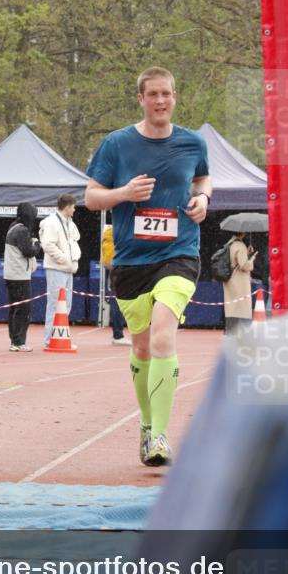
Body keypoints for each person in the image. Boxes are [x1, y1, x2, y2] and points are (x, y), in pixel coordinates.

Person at [85, 66, 211, 467]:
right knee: (141, 347)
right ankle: (146, 423)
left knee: (162, 334)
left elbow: (203, 180)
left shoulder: (193, 142)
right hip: (131, 260)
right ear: (141, 99)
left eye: (166, 94)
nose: (160, 101)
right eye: (153, 94)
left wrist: (203, 199)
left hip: (179, 253)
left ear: (175, 97)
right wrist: (124, 193)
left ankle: (160, 436)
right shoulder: (117, 144)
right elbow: (91, 198)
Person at [39, 193, 81, 348]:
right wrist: (63, 259)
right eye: (73, 207)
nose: (75, 210)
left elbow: (74, 239)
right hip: (57, 269)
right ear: (67, 207)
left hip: (67, 269)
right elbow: (47, 245)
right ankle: (49, 340)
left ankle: (59, 338)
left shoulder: (69, 223)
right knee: (55, 304)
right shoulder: (52, 222)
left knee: (65, 305)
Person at [3, 202, 40, 352]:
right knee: (23, 309)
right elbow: (29, 251)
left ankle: (14, 340)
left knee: (14, 308)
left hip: (11, 274)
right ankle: (19, 342)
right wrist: (37, 244)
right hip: (19, 276)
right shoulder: (22, 230)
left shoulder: (13, 226)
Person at [101, 222, 131, 346]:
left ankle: (118, 334)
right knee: (118, 303)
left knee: (118, 302)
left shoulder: (111, 230)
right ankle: (118, 335)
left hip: (115, 269)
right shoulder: (120, 230)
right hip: (120, 269)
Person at [223, 232, 256, 335]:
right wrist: (252, 259)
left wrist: (247, 253)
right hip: (239, 281)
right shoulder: (240, 246)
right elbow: (244, 265)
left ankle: (230, 331)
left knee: (231, 307)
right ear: (242, 234)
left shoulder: (230, 244)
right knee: (242, 308)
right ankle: (243, 332)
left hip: (230, 280)